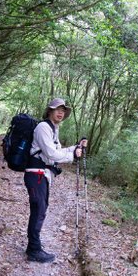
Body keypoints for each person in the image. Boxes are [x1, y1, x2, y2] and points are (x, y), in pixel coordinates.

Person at [24, 98, 88, 263]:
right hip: (35, 174)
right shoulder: (43, 127)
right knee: (39, 210)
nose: (60, 112)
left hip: (42, 174)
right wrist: (72, 155)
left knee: (40, 210)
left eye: (63, 110)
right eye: (57, 109)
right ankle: (34, 250)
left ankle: (33, 246)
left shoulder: (53, 129)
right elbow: (51, 154)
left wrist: (76, 147)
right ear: (49, 111)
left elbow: (58, 151)